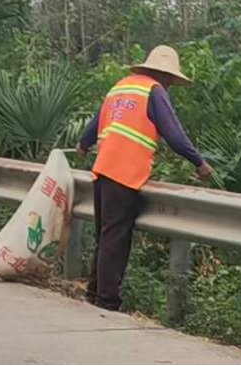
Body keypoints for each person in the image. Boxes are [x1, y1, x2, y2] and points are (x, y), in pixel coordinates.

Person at [76, 45, 213, 311]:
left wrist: (83, 144)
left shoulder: (121, 86)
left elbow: (94, 124)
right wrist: (199, 162)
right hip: (125, 172)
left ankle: (94, 294)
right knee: (116, 237)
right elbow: (174, 134)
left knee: (105, 234)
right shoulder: (154, 91)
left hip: (102, 168)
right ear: (167, 76)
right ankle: (106, 300)